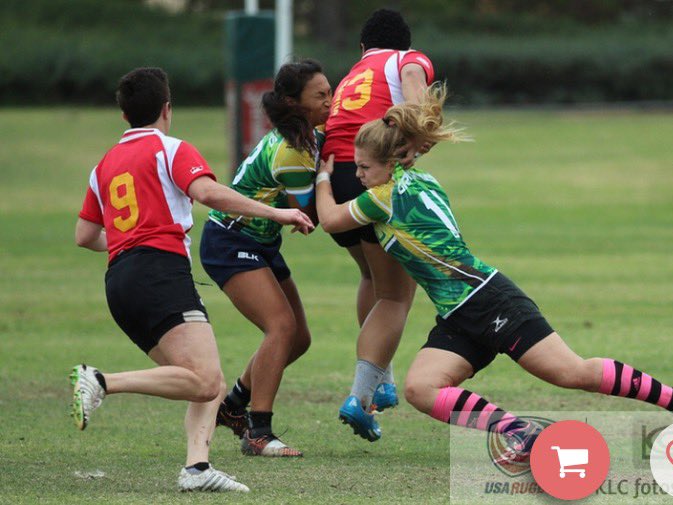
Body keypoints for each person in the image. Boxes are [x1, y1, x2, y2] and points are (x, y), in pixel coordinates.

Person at [314, 83, 673, 455]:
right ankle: (520, 432)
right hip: (458, 313)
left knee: (572, 373)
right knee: (422, 388)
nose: (359, 176)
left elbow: (330, 220)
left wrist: (324, 177)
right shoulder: (417, 180)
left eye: (363, 168)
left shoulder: (384, 197)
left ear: (389, 163)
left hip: (489, 300)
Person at [71, 67, 314, 492]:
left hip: (120, 280)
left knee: (204, 380)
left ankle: (197, 469)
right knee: (206, 381)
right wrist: (277, 212)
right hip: (159, 272)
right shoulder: (171, 149)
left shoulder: (104, 164)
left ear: (125, 115)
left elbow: (85, 236)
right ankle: (102, 381)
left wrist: (129, 244)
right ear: (167, 108)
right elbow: (206, 193)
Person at [200, 60, 330, 457]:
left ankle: (234, 405)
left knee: (298, 338)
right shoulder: (292, 151)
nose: (331, 100)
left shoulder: (306, 136)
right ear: (294, 103)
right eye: (320, 96)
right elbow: (308, 214)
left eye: (331, 91)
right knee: (281, 327)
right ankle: (258, 434)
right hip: (230, 240)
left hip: (260, 243)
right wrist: (331, 175)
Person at [322, 8, 436, 441]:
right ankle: (360, 397)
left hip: (335, 176)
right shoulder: (409, 58)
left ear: (362, 47)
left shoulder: (354, 72)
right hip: (372, 171)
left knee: (371, 276)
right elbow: (413, 97)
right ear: (404, 43)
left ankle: (383, 382)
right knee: (397, 296)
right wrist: (414, 141)